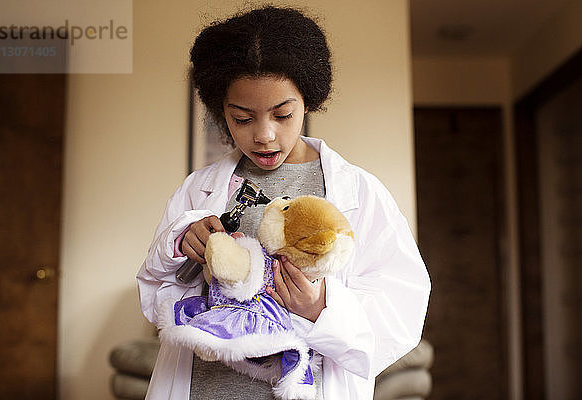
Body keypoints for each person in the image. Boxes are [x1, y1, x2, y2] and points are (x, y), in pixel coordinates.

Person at [136, 6, 430, 400]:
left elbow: (403, 306)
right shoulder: (198, 189)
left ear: (307, 101)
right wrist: (179, 245)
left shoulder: (358, 192)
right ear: (222, 113)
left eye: (282, 114)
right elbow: (153, 295)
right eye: (242, 118)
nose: (264, 135)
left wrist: (321, 306)